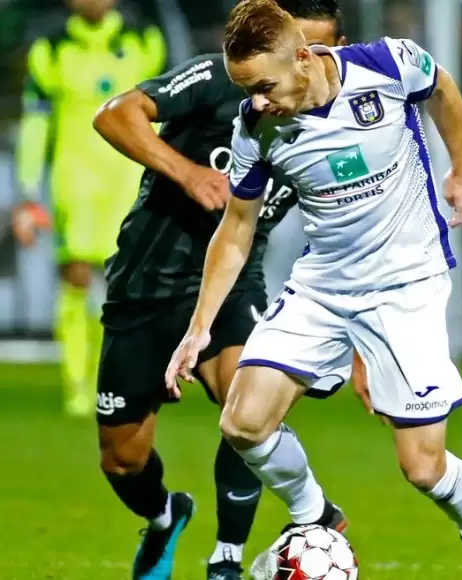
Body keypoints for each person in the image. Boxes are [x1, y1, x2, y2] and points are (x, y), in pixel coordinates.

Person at [164, 1, 462, 579]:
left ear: (302, 58)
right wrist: (198, 330)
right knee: (243, 422)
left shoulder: (385, 65)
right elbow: (237, 228)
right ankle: (315, 514)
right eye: (248, 90)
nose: (258, 101)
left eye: (264, 86)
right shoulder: (255, 127)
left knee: (423, 468)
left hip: (405, 285)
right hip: (324, 285)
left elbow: (442, 87)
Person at [91, 2, 357, 579]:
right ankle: (165, 517)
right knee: (123, 459)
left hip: (233, 286)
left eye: (313, 52)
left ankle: (227, 557)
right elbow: (115, 115)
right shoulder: (221, 78)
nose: (299, 66)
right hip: (144, 285)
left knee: (249, 409)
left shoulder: (341, 126)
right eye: (292, 48)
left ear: (335, 49)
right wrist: (188, 173)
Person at [12, 0, 166, 417]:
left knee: (124, 284)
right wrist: (28, 187)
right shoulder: (52, 48)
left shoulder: (144, 40)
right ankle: (78, 384)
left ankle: (116, 379)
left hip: (128, 179)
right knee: (77, 276)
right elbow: (36, 119)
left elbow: (163, 112)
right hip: (74, 181)